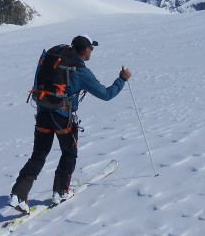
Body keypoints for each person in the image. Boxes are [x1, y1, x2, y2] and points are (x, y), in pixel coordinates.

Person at [9, 35, 132, 212]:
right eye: (91, 48)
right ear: (85, 50)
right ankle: (61, 191)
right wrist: (122, 79)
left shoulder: (55, 59)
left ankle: (18, 195)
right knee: (69, 153)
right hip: (62, 117)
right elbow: (106, 94)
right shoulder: (80, 71)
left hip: (43, 111)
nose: (92, 51)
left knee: (38, 155)